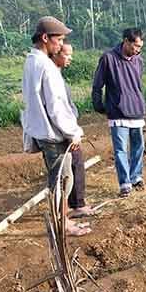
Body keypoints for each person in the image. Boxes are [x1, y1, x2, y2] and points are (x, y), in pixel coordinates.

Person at [21, 16, 91, 237]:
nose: (61, 45)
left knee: (58, 179)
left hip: (42, 131)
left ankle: (64, 220)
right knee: (62, 180)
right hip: (53, 134)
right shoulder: (46, 67)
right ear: (45, 38)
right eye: (58, 40)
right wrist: (74, 133)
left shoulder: (31, 62)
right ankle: (62, 224)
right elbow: (56, 106)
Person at [92, 28, 146, 198]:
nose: (137, 50)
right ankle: (125, 183)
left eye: (140, 47)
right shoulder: (108, 58)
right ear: (126, 41)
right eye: (135, 46)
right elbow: (97, 84)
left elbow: (137, 85)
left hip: (136, 109)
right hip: (117, 111)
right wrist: (99, 105)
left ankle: (136, 176)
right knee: (121, 149)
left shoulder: (139, 60)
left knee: (139, 146)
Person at [51, 42, 96, 221]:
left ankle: (77, 204)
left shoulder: (57, 75)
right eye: (67, 54)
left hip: (67, 130)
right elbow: (57, 110)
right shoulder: (51, 76)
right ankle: (71, 209)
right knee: (67, 171)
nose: (70, 58)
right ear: (55, 53)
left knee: (74, 166)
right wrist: (70, 134)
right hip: (62, 133)